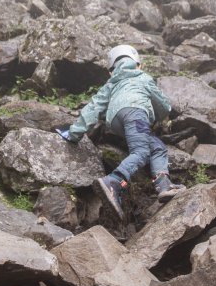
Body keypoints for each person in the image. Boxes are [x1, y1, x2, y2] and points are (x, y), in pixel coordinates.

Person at [57, 44, 185, 220]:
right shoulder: (143, 77)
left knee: (157, 147)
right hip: (136, 114)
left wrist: (74, 134)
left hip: (116, 122)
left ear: (111, 70)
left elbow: (92, 109)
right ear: (138, 64)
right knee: (141, 151)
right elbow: (163, 106)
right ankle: (114, 181)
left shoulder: (111, 84)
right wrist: (162, 115)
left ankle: (164, 185)